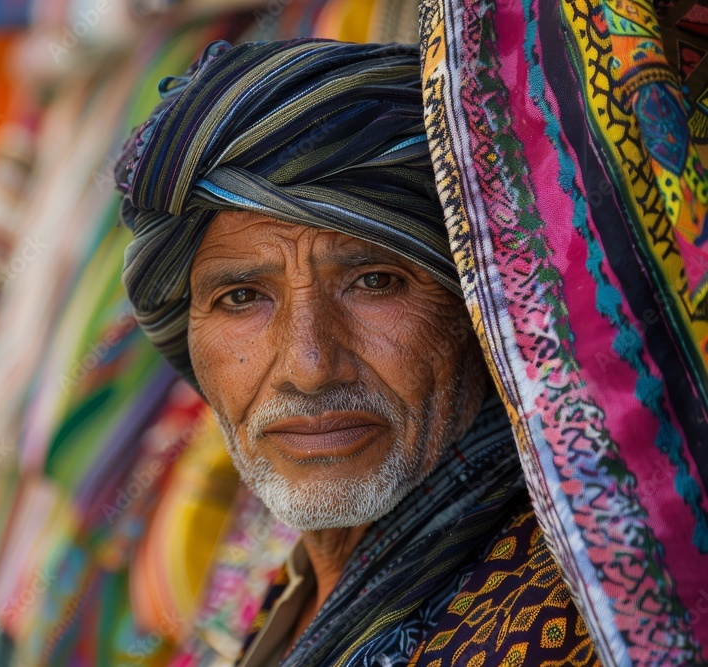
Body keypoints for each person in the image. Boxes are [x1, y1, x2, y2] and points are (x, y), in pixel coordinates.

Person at [113, 38, 603, 665]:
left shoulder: (569, 612)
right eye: (241, 297)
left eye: (374, 282)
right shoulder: (256, 548)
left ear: (474, 310)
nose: (310, 369)